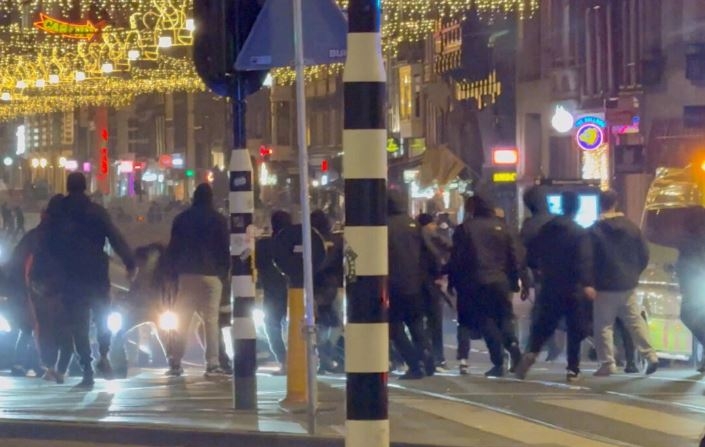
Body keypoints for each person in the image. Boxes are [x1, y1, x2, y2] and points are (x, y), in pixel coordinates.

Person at [45, 172, 135, 387]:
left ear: (68, 186)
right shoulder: (97, 212)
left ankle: (87, 369)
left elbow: (48, 244)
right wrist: (130, 262)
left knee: (79, 325)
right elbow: (115, 238)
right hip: (96, 274)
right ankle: (104, 354)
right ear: (85, 187)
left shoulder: (59, 214)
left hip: (70, 276)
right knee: (103, 317)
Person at [515, 190, 594, 382]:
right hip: (573, 286)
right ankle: (572, 368)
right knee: (575, 328)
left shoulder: (547, 229)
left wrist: (538, 270)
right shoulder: (579, 232)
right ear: (576, 208)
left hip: (550, 283)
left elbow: (531, 253)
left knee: (544, 323)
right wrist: (587, 283)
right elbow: (584, 260)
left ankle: (531, 353)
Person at [448, 194, 525, 378]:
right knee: (505, 317)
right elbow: (514, 256)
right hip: (501, 281)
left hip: (476, 281)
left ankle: (499, 362)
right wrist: (515, 281)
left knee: (486, 321)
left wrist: (453, 282)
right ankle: (513, 347)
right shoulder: (503, 228)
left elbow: (457, 258)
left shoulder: (465, 228)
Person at [164, 183, 230, 377]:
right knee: (211, 320)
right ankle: (212, 363)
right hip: (211, 275)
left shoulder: (181, 219)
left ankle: (175, 362)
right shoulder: (219, 219)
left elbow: (173, 248)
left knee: (183, 320)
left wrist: (172, 274)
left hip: (186, 274)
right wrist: (222, 273)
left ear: (194, 197)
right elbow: (224, 249)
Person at [590, 190, 658, 376]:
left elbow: (588, 257)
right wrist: (634, 273)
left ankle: (607, 363)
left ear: (599, 204)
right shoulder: (632, 227)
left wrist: (589, 281)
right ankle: (650, 355)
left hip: (604, 285)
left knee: (603, 325)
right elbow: (644, 253)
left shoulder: (595, 230)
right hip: (628, 284)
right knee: (635, 321)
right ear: (616, 203)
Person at [388, 189, 434, 380]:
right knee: (416, 325)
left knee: (395, 328)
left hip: (392, 284)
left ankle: (415, 364)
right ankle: (428, 359)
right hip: (415, 283)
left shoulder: (383, 225)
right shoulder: (413, 225)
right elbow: (429, 253)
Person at [27, 194, 74, 384]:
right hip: (64, 286)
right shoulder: (71, 230)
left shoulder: (41, 232)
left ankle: (50, 367)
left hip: (42, 286)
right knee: (65, 330)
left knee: (47, 328)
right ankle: (61, 369)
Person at [521, 185, 564, 361]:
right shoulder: (558, 220)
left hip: (542, 275)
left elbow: (522, 253)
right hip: (563, 273)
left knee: (541, 312)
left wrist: (524, 279)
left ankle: (534, 348)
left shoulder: (530, 225)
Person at [255, 210, 292, 373]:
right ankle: (301, 359)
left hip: (272, 292)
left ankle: (284, 360)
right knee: (298, 326)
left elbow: (258, 266)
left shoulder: (264, 245)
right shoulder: (296, 243)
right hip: (295, 290)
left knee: (271, 326)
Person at [417, 213, 452, 371]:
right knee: (434, 322)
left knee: (421, 322)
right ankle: (436, 357)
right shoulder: (429, 238)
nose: (435, 226)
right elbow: (444, 251)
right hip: (430, 285)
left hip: (419, 285)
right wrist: (442, 272)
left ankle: (426, 355)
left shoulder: (416, 238)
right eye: (432, 224)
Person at [311, 209, 344, 373]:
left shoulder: (310, 240)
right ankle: (328, 351)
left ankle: (322, 356)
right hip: (333, 285)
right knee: (337, 322)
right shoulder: (337, 240)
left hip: (314, 286)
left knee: (319, 324)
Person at [674, 206, 705, 373]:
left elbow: (683, 262)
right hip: (695, 285)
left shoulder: (688, 239)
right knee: (690, 315)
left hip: (694, 286)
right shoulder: (687, 239)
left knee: (688, 314)